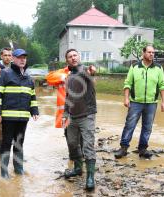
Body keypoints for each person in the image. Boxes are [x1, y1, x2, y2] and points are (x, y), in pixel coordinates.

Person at [0, 49, 39, 179]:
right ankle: (4, 172)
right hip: (8, 117)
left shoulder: (28, 78)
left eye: (24, 57)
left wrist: (34, 110)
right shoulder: (4, 74)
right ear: (13, 59)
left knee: (19, 143)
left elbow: (32, 96)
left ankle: (19, 169)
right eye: (19, 57)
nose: (22, 59)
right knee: (6, 143)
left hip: (23, 118)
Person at [115, 45, 164, 159]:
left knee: (147, 127)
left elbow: (162, 85)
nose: (152, 54)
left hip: (151, 103)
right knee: (130, 125)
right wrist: (126, 98)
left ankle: (142, 149)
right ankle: (123, 148)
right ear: (143, 53)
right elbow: (128, 83)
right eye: (149, 52)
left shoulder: (158, 68)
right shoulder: (135, 67)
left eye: (153, 52)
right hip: (135, 102)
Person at [62, 49, 97, 191]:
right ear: (67, 60)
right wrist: (65, 114)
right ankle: (77, 168)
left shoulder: (84, 71)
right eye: (70, 56)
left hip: (87, 115)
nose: (73, 58)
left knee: (88, 145)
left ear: (79, 57)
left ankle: (90, 177)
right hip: (72, 116)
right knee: (71, 143)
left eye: (75, 55)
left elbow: (90, 72)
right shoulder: (69, 77)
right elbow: (68, 97)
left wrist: (92, 70)